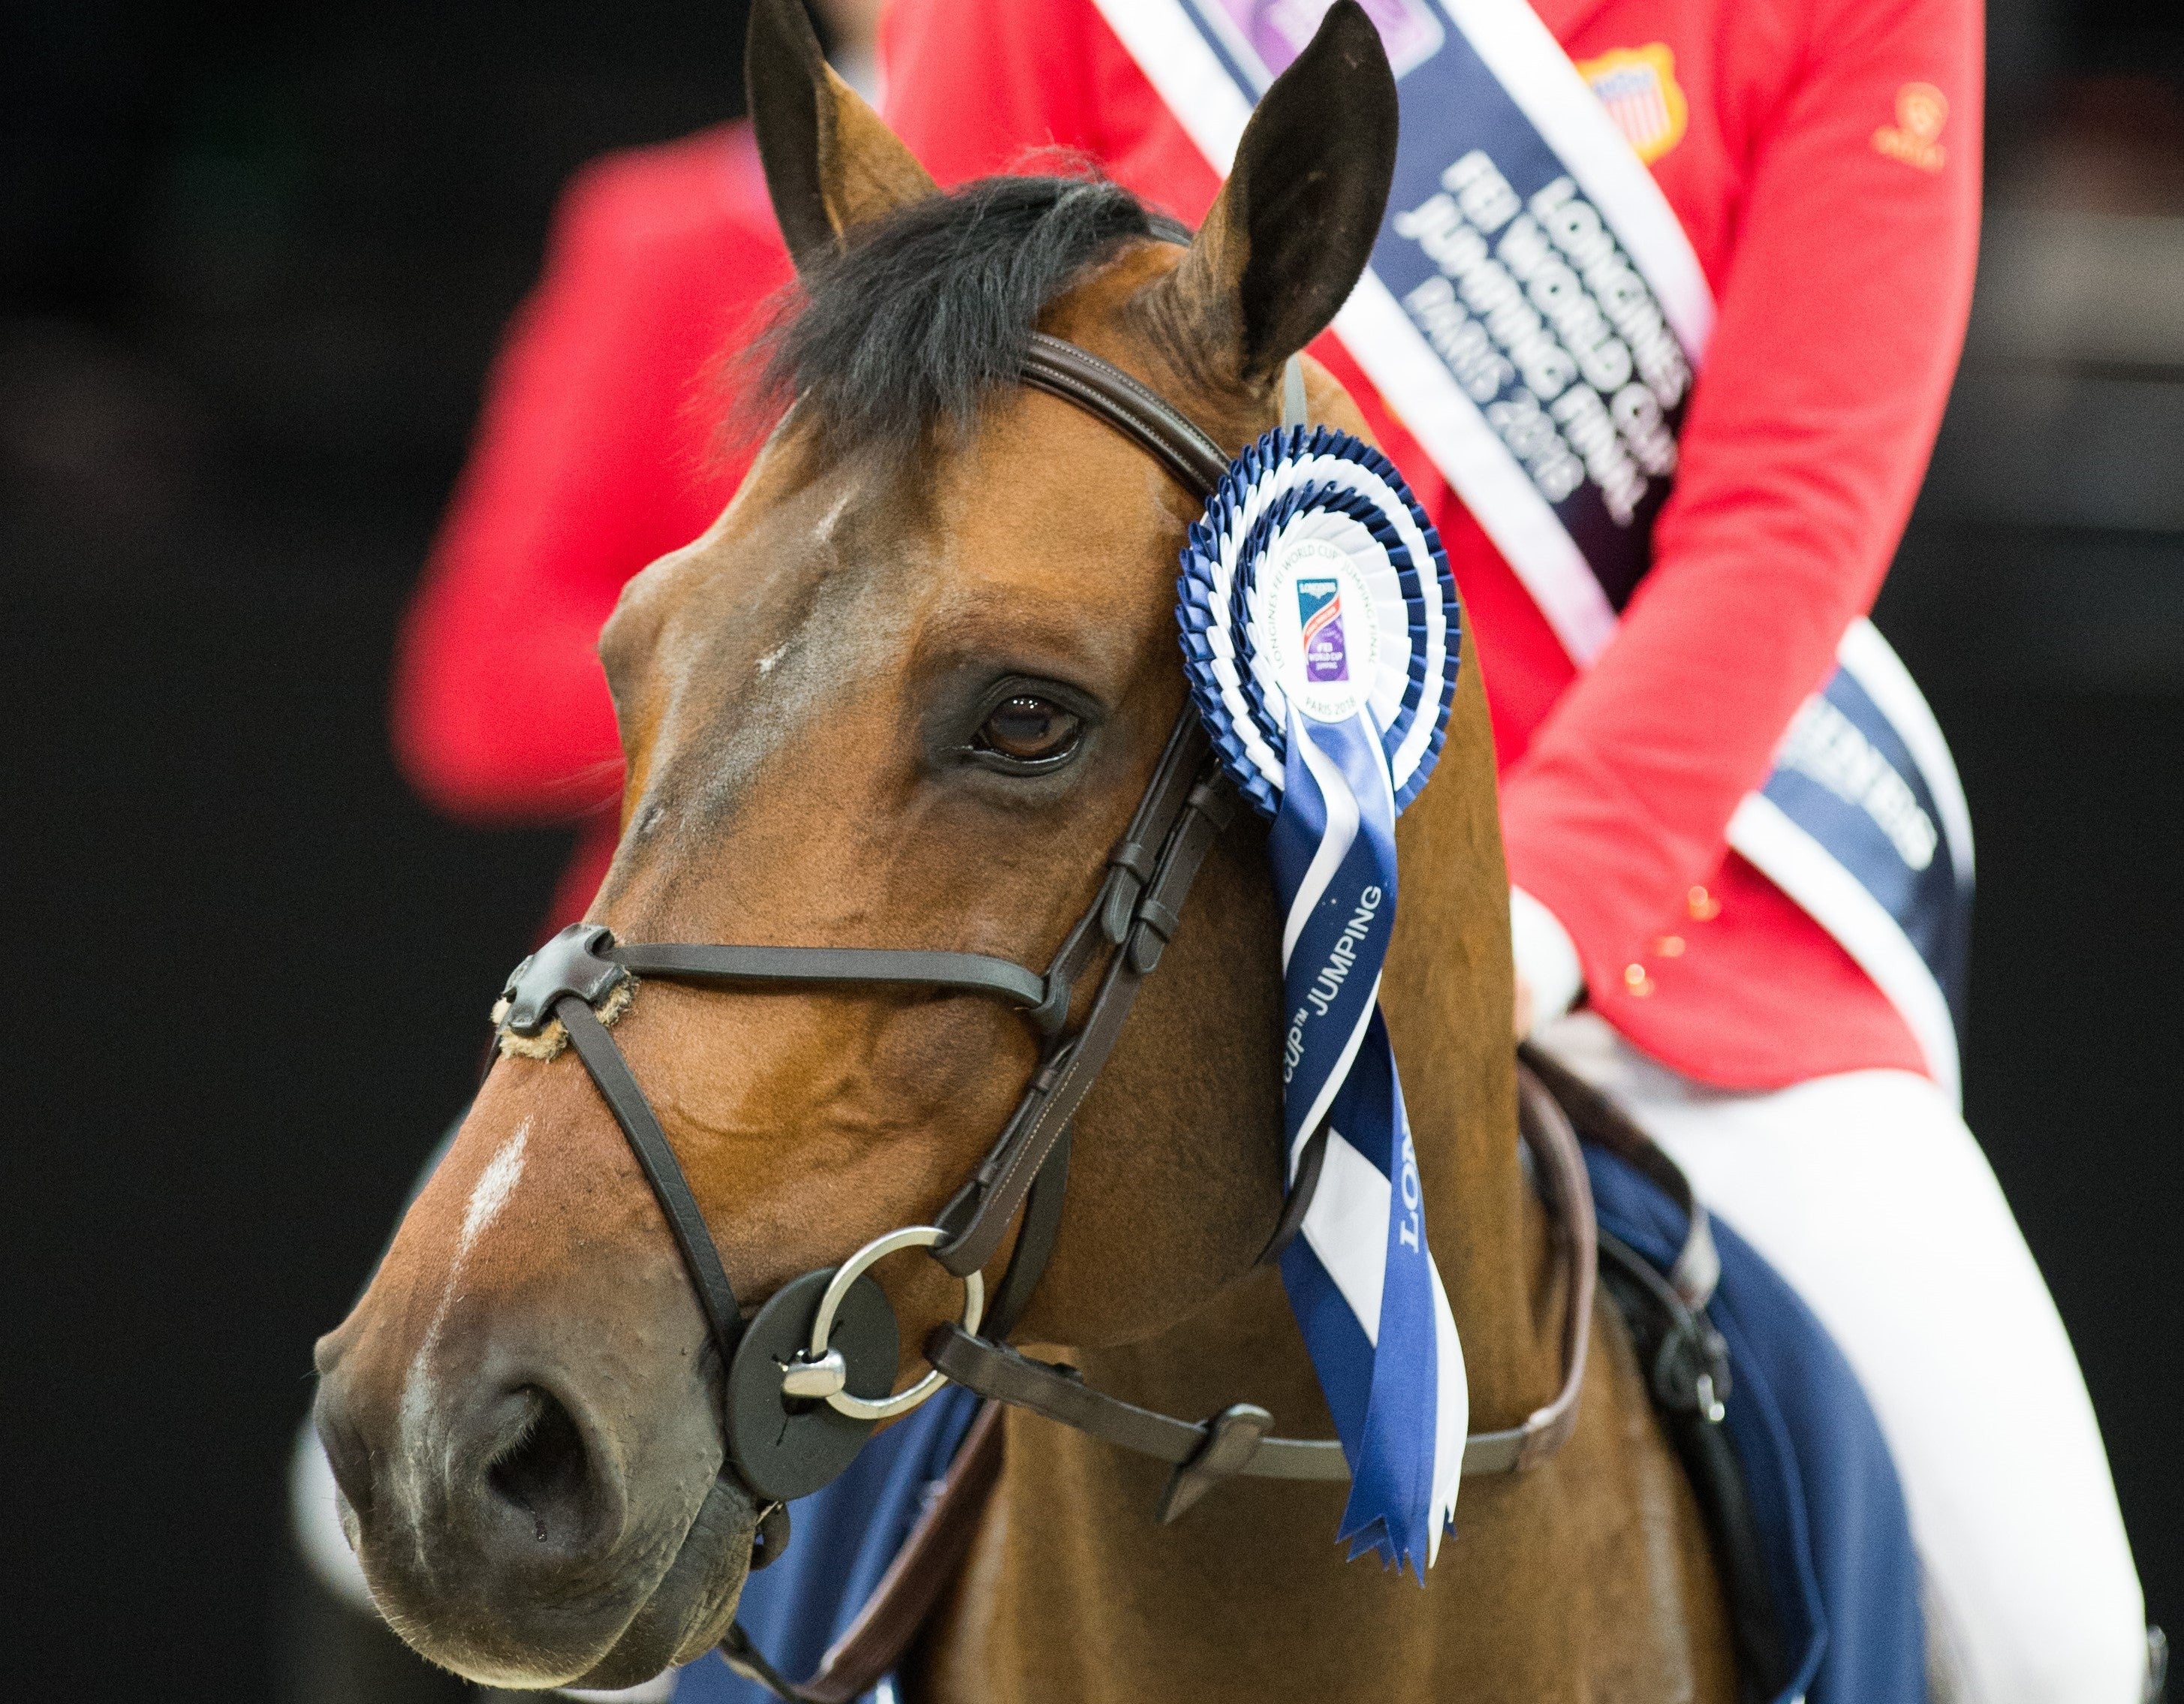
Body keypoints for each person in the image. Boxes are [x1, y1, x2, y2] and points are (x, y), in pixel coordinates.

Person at [873, 2, 2152, 1701]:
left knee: (2048, 1630)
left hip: (1665, 935)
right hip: (1131, 929)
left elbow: (1789, 512)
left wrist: (1531, 914)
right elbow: (919, 460)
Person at [285, 11, 881, 1701]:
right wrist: (820, 709)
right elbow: (477, 684)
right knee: (373, 1484)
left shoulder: (1186, 221)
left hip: (1035, 1023)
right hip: (672, 1017)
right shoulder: (677, 228)